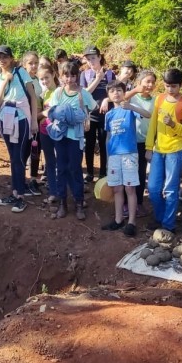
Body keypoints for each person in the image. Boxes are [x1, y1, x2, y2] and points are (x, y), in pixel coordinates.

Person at [145, 68, 182, 233]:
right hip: (159, 150)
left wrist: (173, 124)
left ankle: (168, 224)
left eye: (173, 86)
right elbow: (153, 124)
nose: (170, 89)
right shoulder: (159, 99)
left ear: (181, 85)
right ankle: (160, 217)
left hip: (176, 150)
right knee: (152, 188)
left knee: (170, 189)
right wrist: (149, 147)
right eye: (167, 86)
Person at [0, 46, 38, 213]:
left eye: (5, 57)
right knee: (13, 157)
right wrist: (5, 81)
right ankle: (15, 192)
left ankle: (21, 196)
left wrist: (33, 121)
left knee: (18, 156)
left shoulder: (21, 72)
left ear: (11, 58)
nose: (2, 60)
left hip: (22, 118)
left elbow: (32, 97)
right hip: (5, 118)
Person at [48, 60, 96, 220]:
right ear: (61, 76)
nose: (69, 79)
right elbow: (52, 111)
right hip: (60, 136)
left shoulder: (83, 93)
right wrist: (61, 115)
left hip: (75, 137)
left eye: (73, 75)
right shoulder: (58, 93)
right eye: (66, 75)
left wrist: (77, 115)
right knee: (61, 168)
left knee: (75, 169)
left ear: (77, 76)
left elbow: (92, 108)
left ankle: (79, 203)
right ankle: (62, 203)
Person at [101, 81, 142, 236]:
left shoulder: (129, 110)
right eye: (112, 91)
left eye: (119, 90)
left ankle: (131, 222)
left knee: (129, 188)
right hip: (114, 156)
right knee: (117, 188)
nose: (116, 93)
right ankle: (118, 220)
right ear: (109, 95)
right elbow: (108, 137)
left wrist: (131, 107)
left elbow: (148, 115)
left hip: (129, 154)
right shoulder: (109, 114)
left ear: (124, 93)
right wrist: (107, 158)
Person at [80, 46, 115, 183]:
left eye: (93, 58)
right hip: (90, 114)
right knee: (88, 144)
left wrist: (107, 99)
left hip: (105, 115)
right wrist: (97, 79)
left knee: (102, 143)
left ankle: (102, 172)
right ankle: (89, 172)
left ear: (100, 57)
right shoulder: (85, 74)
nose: (91, 61)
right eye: (88, 59)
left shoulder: (110, 74)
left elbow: (116, 93)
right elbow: (84, 93)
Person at [130, 68, 156, 216]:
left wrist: (150, 146)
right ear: (139, 82)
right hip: (130, 141)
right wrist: (135, 90)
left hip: (145, 143)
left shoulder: (155, 100)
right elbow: (120, 100)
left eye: (152, 82)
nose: (150, 85)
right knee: (129, 172)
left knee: (140, 173)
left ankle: (138, 203)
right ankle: (127, 203)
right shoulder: (133, 98)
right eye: (147, 81)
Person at [36, 59, 60, 206]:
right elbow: (38, 115)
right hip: (45, 131)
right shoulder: (42, 95)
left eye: (47, 77)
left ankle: (64, 191)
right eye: (42, 79)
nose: (44, 81)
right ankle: (53, 192)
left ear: (54, 75)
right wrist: (47, 112)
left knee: (63, 162)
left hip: (60, 132)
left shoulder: (61, 91)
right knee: (50, 162)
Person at [22, 51, 43, 195]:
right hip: (24, 120)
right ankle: (21, 180)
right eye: (30, 63)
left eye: (36, 63)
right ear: (24, 65)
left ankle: (33, 180)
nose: (34, 66)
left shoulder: (38, 80)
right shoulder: (21, 80)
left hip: (37, 120)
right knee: (23, 151)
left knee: (35, 151)